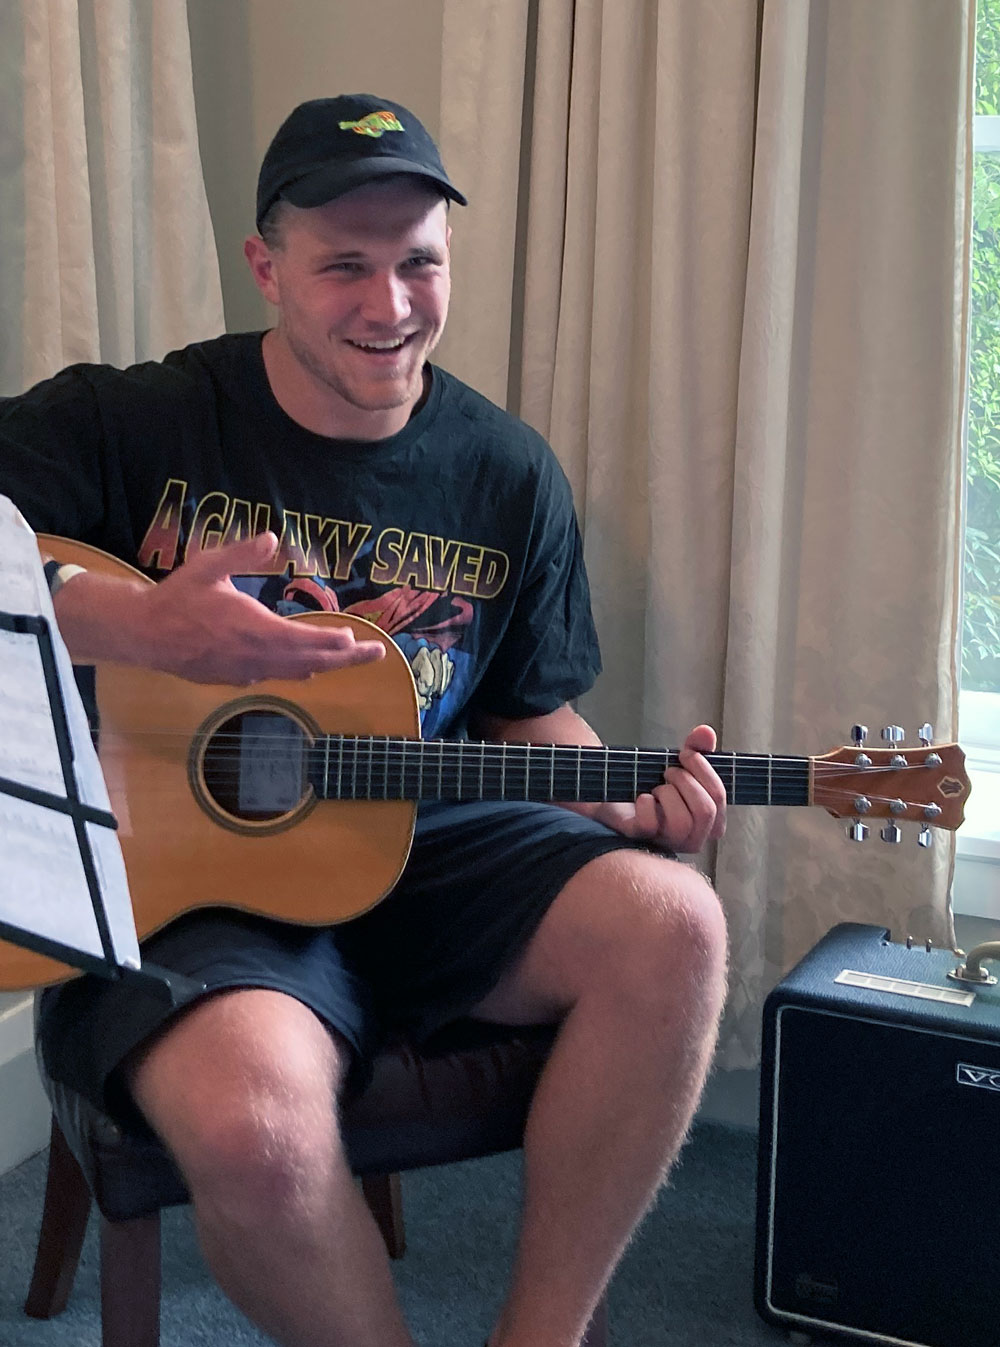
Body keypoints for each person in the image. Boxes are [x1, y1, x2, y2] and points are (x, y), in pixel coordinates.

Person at [1, 94, 729, 1347]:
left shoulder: (507, 471)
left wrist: (614, 796)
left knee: (674, 924)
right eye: (346, 265)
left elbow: (527, 714)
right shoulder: (135, 421)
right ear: (266, 264)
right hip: (184, 878)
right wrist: (130, 628)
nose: (389, 307)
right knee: (258, 1130)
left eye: (418, 264)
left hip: (428, 842)